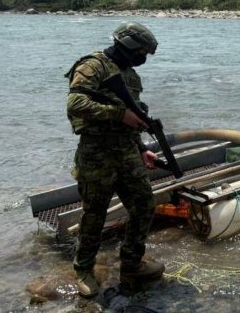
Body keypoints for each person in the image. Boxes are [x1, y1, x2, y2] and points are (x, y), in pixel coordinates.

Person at [65, 21, 165, 298]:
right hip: (96, 153)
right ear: (131, 46)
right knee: (94, 215)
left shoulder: (131, 76)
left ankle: (131, 264)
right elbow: (75, 104)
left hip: (126, 152)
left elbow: (132, 119)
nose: (143, 58)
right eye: (142, 51)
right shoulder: (92, 65)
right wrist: (118, 114)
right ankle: (84, 269)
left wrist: (141, 147)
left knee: (144, 205)